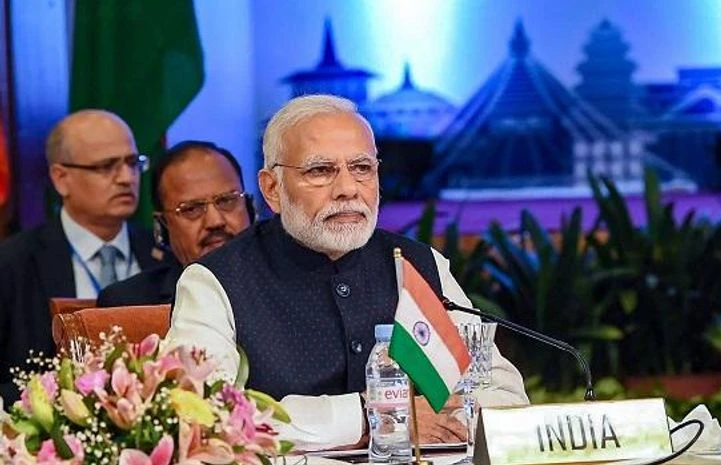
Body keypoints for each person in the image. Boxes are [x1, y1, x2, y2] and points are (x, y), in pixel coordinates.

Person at [166, 95, 529, 450]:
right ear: (272, 189)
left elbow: (503, 393)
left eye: (361, 168)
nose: (347, 189)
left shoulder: (419, 265)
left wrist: (456, 417)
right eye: (320, 171)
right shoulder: (215, 281)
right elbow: (203, 413)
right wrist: (375, 415)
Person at [0, 109, 160, 401]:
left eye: (132, 163)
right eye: (106, 166)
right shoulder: (13, 264)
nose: (126, 178)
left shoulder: (163, 254)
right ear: (61, 178)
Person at [97, 141, 254, 307]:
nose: (215, 221)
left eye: (227, 200)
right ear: (162, 227)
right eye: (192, 209)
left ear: (250, 208)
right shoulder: (128, 304)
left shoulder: (283, 278)